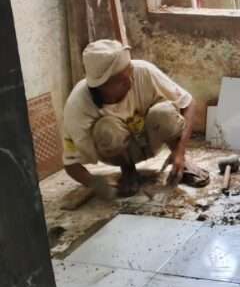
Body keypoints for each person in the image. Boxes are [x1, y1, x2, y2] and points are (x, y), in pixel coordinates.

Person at [62, 39, 210, 198]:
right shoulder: (78, 105)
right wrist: (95, 183)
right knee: (106, 129)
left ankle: (180, 163)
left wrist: (180, 151)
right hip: (115, 152)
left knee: (164, 113)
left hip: (152, 139)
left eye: (130, 71)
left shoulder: (143, 71)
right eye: (121, 80)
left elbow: (188, 103)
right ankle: (128, 170)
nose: (130, 81)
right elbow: (70, 164)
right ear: (102, 85)